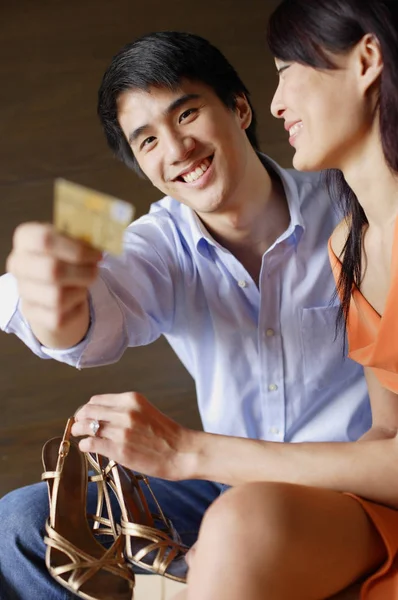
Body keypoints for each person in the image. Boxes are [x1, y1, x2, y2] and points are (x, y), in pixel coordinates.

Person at [0, 31, 370, 599]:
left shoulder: (348, 202)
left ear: (241, 108)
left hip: (349, 485)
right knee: (18, 521)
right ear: (142, 168)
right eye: (147, 141)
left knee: (243, 520)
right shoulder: (159, 240)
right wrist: (52, 301)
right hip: (222, 482)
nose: (176, 150)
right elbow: (94, 319)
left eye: (187, 113)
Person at [178, 2, 398, 599]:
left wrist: (194, 453)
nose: (276, 103)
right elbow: (386, 435)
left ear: (367, 60)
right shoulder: (349, 245)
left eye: (288, 68)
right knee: (239, 525)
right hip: (376, 507)